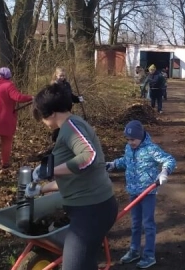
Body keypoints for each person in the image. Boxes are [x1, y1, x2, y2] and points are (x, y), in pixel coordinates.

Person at [26, 82, 118, 270]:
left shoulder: (70, 127)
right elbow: (75, 175)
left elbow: (89, 157)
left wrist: (48, 171)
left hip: (92, 210)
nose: (43, 123)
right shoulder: (70, 127)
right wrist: (41, 189)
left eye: (42, 117)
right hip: (87, 208)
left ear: (51, 113)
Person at [106, 120, 176, 269]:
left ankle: (149, 255)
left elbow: (169, 160)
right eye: (128, 139)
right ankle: (134, 250)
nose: (130, 142)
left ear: (141, 136)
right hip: (133, 191)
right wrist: (114, 164)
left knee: (148, 224)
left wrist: (164, 172)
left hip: (148, 192)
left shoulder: (151, 149)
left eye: (133, 139)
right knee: (135, 223)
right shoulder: (129, 148)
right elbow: (126, 161)